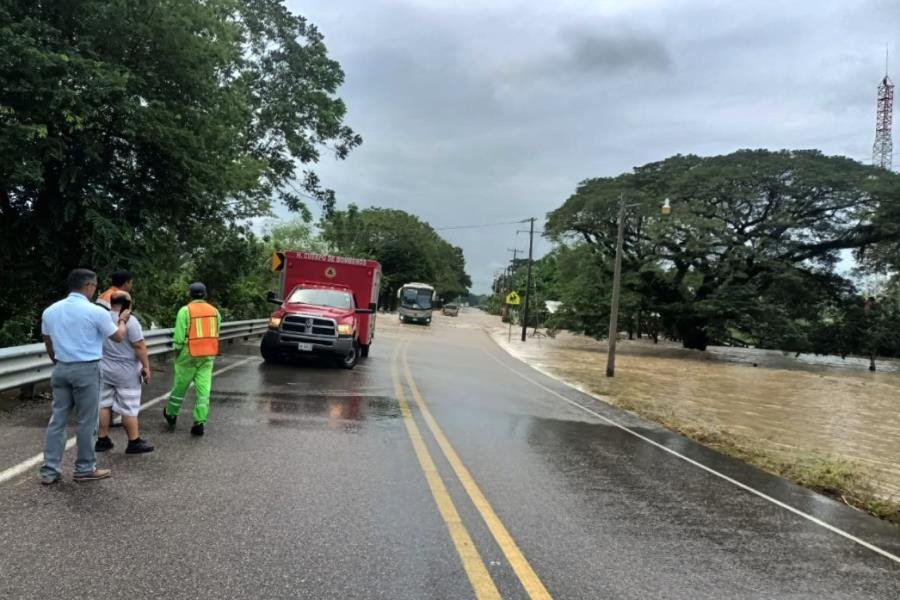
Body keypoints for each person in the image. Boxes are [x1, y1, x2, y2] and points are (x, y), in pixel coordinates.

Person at [39, 269, 132, 484]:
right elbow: (118, 337)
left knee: (57, 420)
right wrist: (122, 320)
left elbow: (48, 342)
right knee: (86, 421)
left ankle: (49, 470)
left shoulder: (50, 311)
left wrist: (58, 361)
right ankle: (84, 468)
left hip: (61, 368)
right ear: (89, 285)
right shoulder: (95, 311)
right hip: (87, 369)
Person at [95, 291, 154, 454]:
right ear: (127, 304)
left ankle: (102, 439)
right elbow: (139, 346)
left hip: (104, 369)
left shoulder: (102, 318)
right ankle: (133, 441)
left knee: (103, 404)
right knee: (129, 407)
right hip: (126, 372)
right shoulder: (131, 321)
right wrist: (146, 367)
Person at [163, 282, 221, 436]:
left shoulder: (185, 311)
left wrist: (177, 354)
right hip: (208, 355)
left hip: (188, 354)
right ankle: (199, 422)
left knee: (180, 386)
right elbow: (216, 332)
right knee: (203, 389)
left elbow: (179, 338)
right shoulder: (215, 311)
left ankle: (171, 413)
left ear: (189, 294)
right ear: (205, 294)